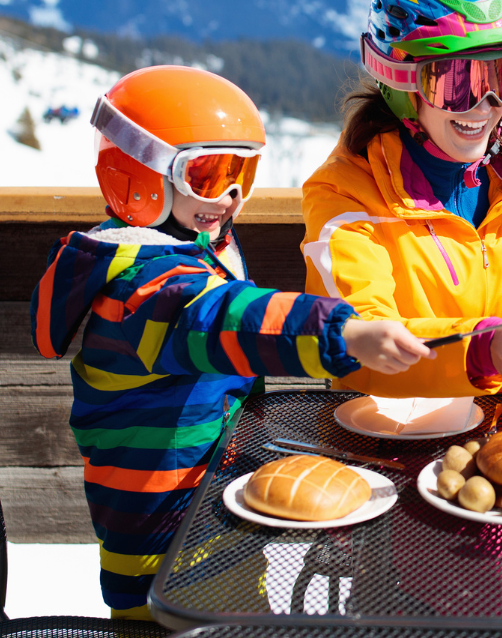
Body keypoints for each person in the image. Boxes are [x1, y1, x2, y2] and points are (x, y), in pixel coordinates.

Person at [31, 65, 426, 619]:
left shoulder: (190, 248)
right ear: (139, 172)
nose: (232, 197)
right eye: (209, 174)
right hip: (163, 553)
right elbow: (221, 319)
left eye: (244, 172)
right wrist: (342, 330)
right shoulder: (141, 287)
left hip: (210, 517)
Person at [301, 0, 502, 396]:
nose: (484, 104)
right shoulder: (348, 193)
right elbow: (360, 336)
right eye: (456, 82)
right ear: (402, 83)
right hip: (394, 434)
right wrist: (480, 349)